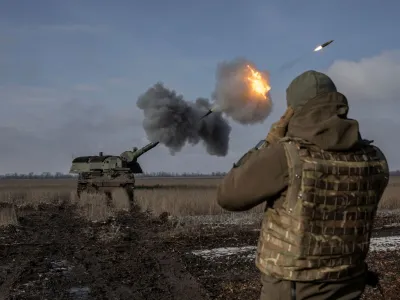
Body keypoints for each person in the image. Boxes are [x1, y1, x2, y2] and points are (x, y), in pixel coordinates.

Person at [216, 70, 390, 300]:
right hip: (349, 283)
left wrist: (268, 142)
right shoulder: (374, 158)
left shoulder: (286, 155)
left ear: (293, 111)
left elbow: (228, 195)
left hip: (294, 289)